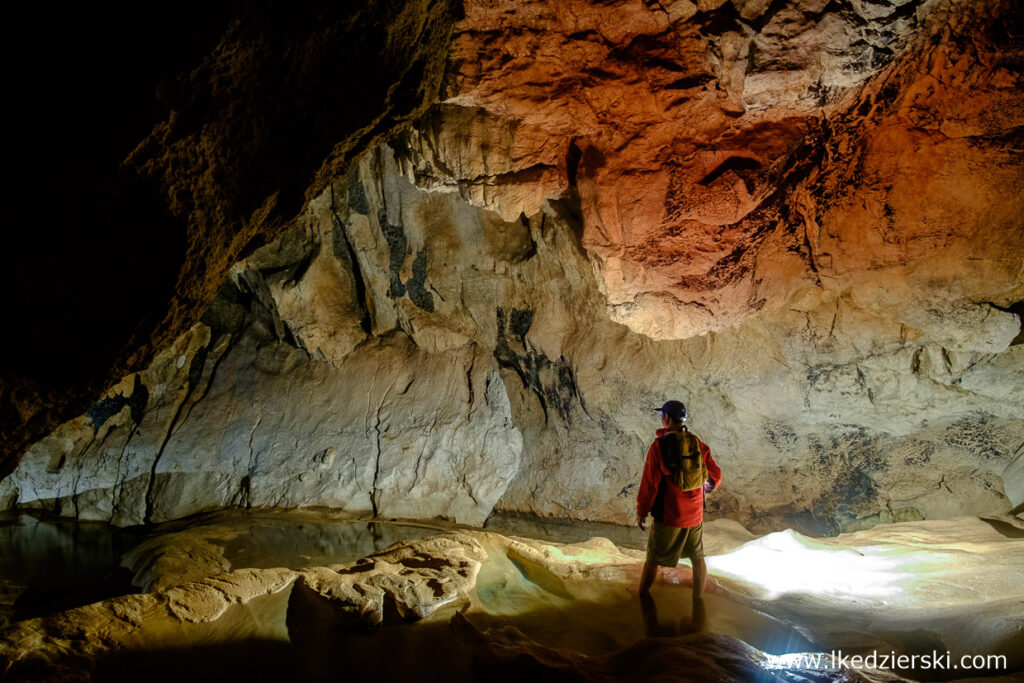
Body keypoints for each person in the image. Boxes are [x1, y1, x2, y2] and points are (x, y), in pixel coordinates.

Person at [636, 400, 721, 611]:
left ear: (666, 418)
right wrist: (703, 491)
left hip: (670, 515)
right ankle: (698, 602)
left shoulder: (659, 446)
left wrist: (642, 510)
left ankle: (641, 596)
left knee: (653, 558)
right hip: (695, 516)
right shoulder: (697, 443)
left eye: (662, 415)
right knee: (697, 557)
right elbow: (715, 476)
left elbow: (650, 484)